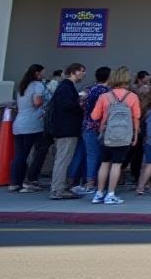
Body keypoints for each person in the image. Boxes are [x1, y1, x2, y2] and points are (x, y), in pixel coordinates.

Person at [90, 67, 141, 205]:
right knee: (117, 165)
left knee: (104, 163)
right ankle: (111, 194)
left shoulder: (104, 96)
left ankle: (99, 193)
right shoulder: (132, 97)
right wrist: (135, 136)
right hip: (124, 136)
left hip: (107, 135)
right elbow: (136, 117)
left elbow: (94, 116)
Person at [48, 63, 86, 199]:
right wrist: (80, 104)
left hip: (64, 128)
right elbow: (67, 106)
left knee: (63, 159)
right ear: (74, 72)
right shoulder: (66, 87)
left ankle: (59, 187)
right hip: (66, 129)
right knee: (63, 159)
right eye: (82, 71)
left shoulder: (65, 87)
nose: (83, 74)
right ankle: (57, 189)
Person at [71, 66, 111, 195]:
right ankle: (91, 183)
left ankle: (74, 180)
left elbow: (80, 105)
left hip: (86, 125)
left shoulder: (88, 90)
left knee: (83, 153)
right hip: (100, 127)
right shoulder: (108, 93)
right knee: (95, 155)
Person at [10, 63, 49, 193]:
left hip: (19, 123)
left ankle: (15, 182)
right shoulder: (37, 85)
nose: (44, 75)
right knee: (39, 151)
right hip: (33, 124)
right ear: (37, 73)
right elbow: (37, 102)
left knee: (20, 154)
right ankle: (31, 180)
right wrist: (45, 100)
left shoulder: (22, 86)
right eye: (42, 72)